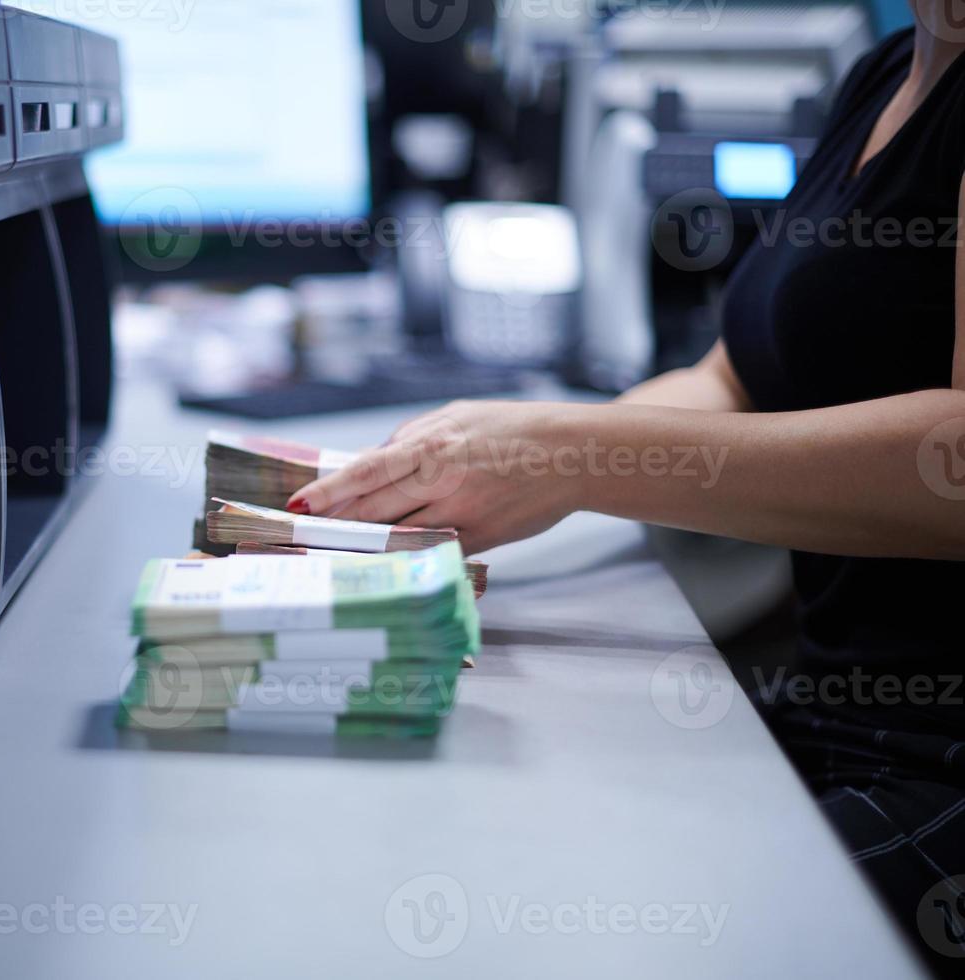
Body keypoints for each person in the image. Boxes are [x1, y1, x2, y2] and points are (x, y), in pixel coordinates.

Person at [289, 13, 965, 972]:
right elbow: (733, 379)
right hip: (840, 714)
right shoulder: (892, 72)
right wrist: (500, 462)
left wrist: (573, 455)